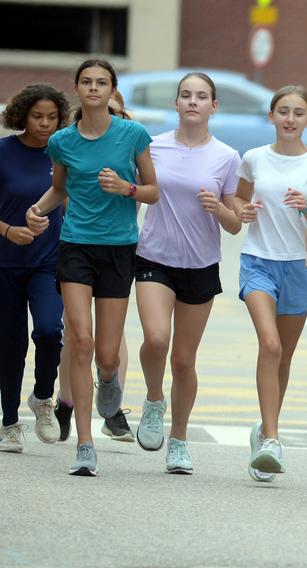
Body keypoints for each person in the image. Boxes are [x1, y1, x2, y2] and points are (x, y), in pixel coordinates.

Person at [26, 59, 158, 476]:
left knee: (105, 354)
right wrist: (38, 209)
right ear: (77, 89)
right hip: (75, 245)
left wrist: (127, 188)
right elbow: (59, 188)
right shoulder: (62, 141)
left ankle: (109, 379)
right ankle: (84, 444)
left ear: (112, 89)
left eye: (102, 82)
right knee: (79, 341)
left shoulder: (133, 135)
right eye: (87, 82)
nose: (94, 88)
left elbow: (153, 192)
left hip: (119, 249)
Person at [133, 72, 242, 474]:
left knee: (183, 359)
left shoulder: (227, 157)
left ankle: (178, 439)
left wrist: (219, 208)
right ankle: (153, 399)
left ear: (214, 106)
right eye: (185, 95)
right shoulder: (152, 147)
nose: (192, 102)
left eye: (201, 97)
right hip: (154, 257)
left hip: (200, 265)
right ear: (176, 104)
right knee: (157, 337)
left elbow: (234, 224)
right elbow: (136, 193)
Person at [233, 85, 307, 483]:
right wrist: (245, 210)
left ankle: (263, 427)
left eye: (298, 113)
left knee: (284, 357)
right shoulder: (254, 159)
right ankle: (273, 440)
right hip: (258, 261)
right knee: (269, 345)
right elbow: (238, 200)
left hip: (299, 266)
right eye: (283, 111)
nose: (290, 119)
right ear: (271, 116)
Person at [0, 84, 69, 453]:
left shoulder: (63, 153)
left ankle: (43, 397)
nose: (45, 124)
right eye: (37, 117)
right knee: (9, 346)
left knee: (47, 330)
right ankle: (9, 423)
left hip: (48, 262)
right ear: (22, 116)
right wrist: (8, 230)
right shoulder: (3, 151)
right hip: (4, 263)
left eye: (52, 117)